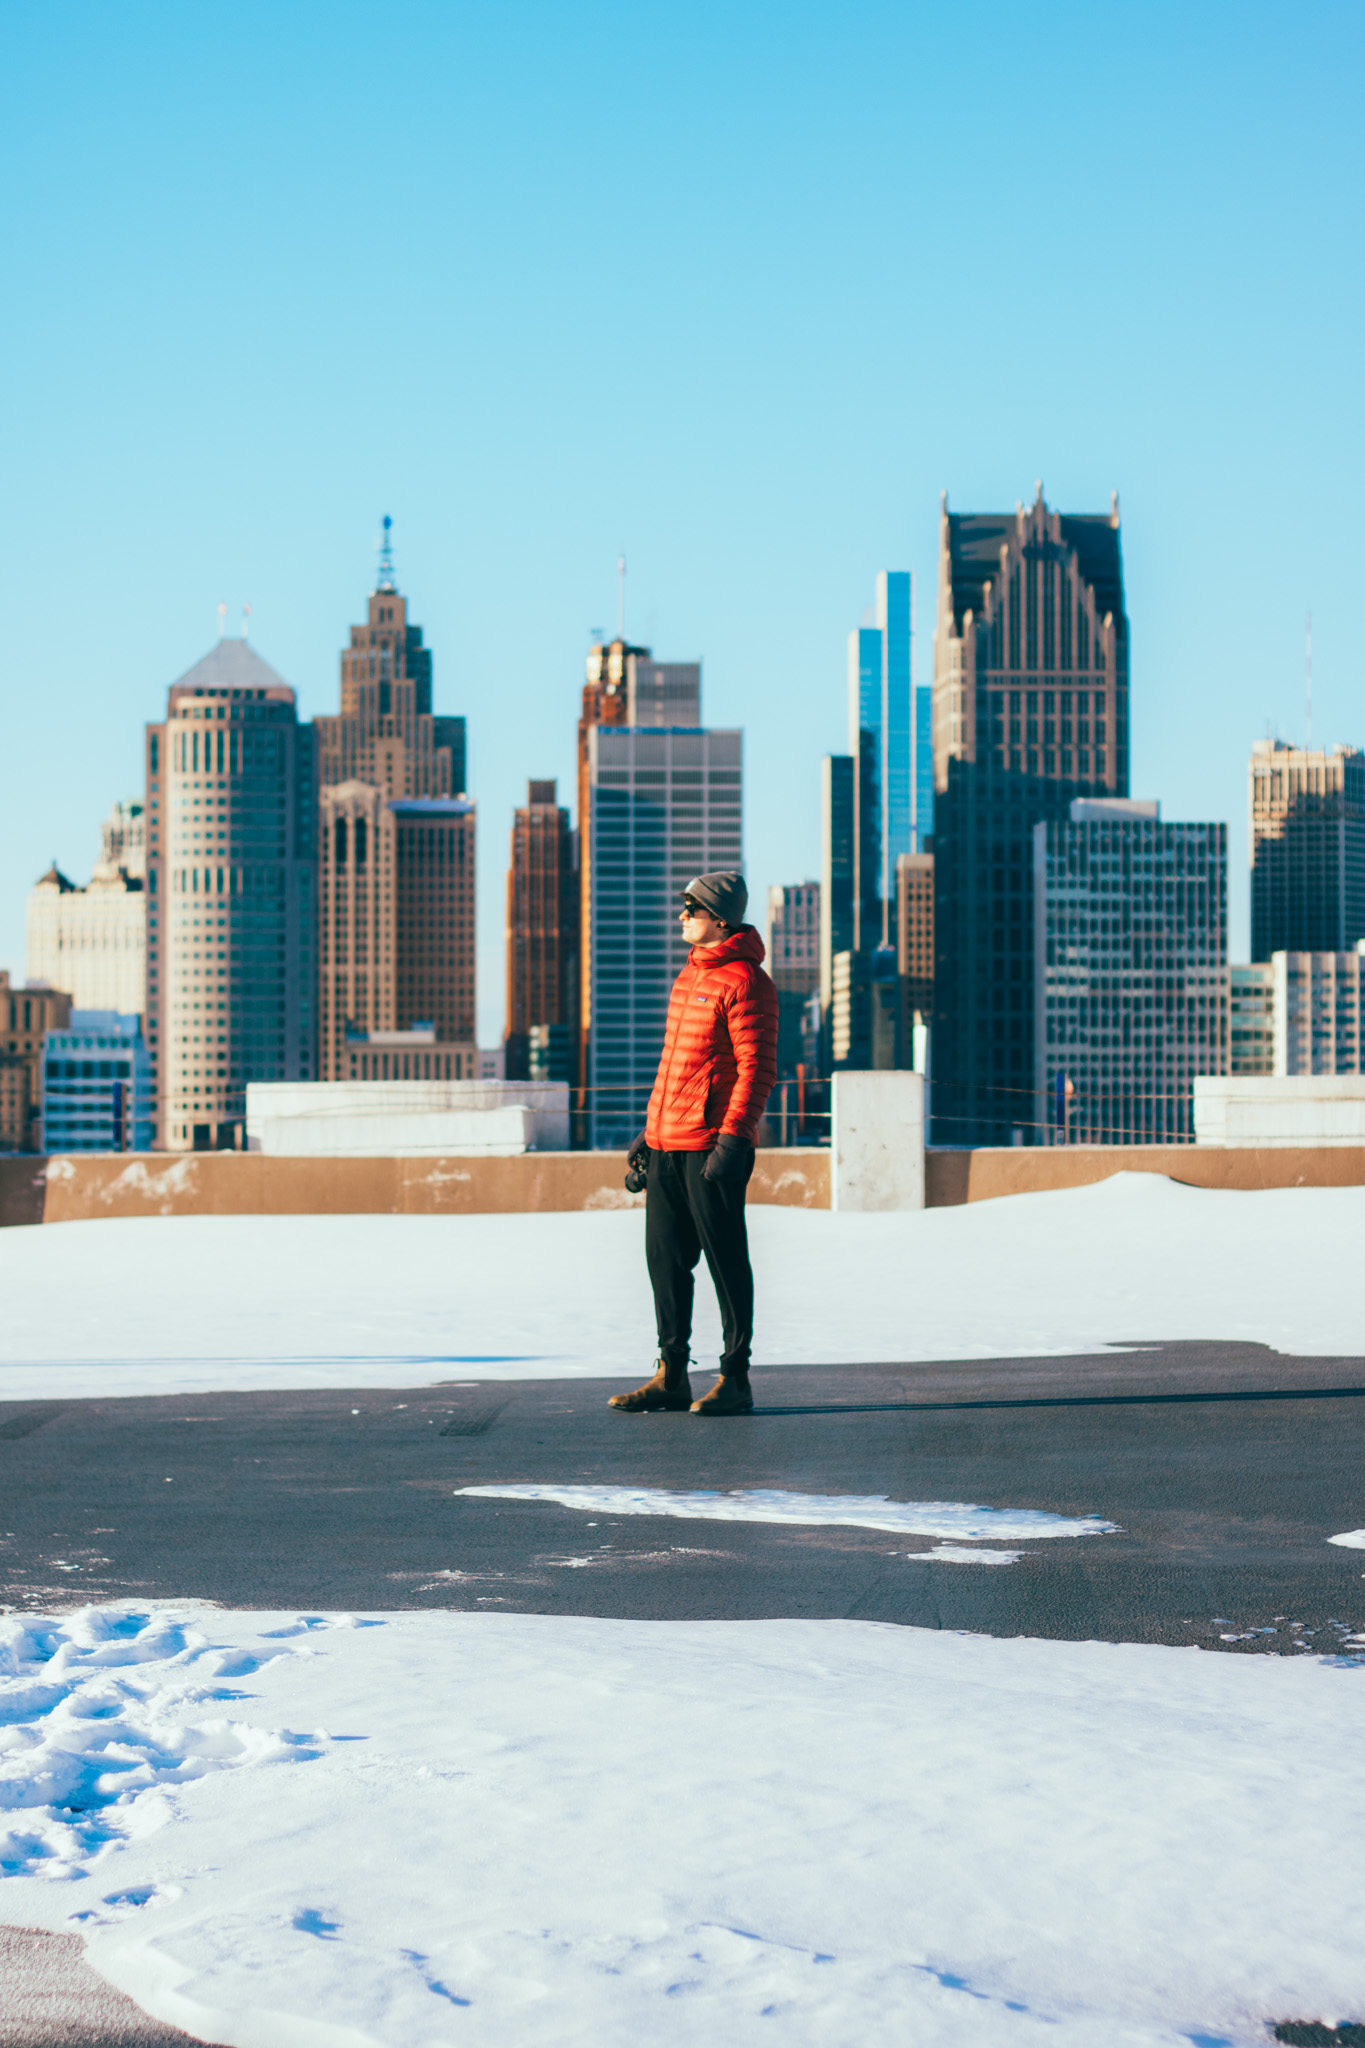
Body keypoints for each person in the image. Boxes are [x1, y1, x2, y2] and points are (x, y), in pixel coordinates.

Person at [609, 872, 779, 1418]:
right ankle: (671, 1375)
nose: (681, 916)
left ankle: (735, 1377)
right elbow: (676, 1068)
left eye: (691, 908)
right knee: (664, 1260)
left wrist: (734, 1139)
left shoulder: (748, 982)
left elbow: (757, 1071)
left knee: (727, 1264)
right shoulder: (689, 977)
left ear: (720, 918)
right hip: (667, 1143)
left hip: (712, 1147)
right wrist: (648, 1134)